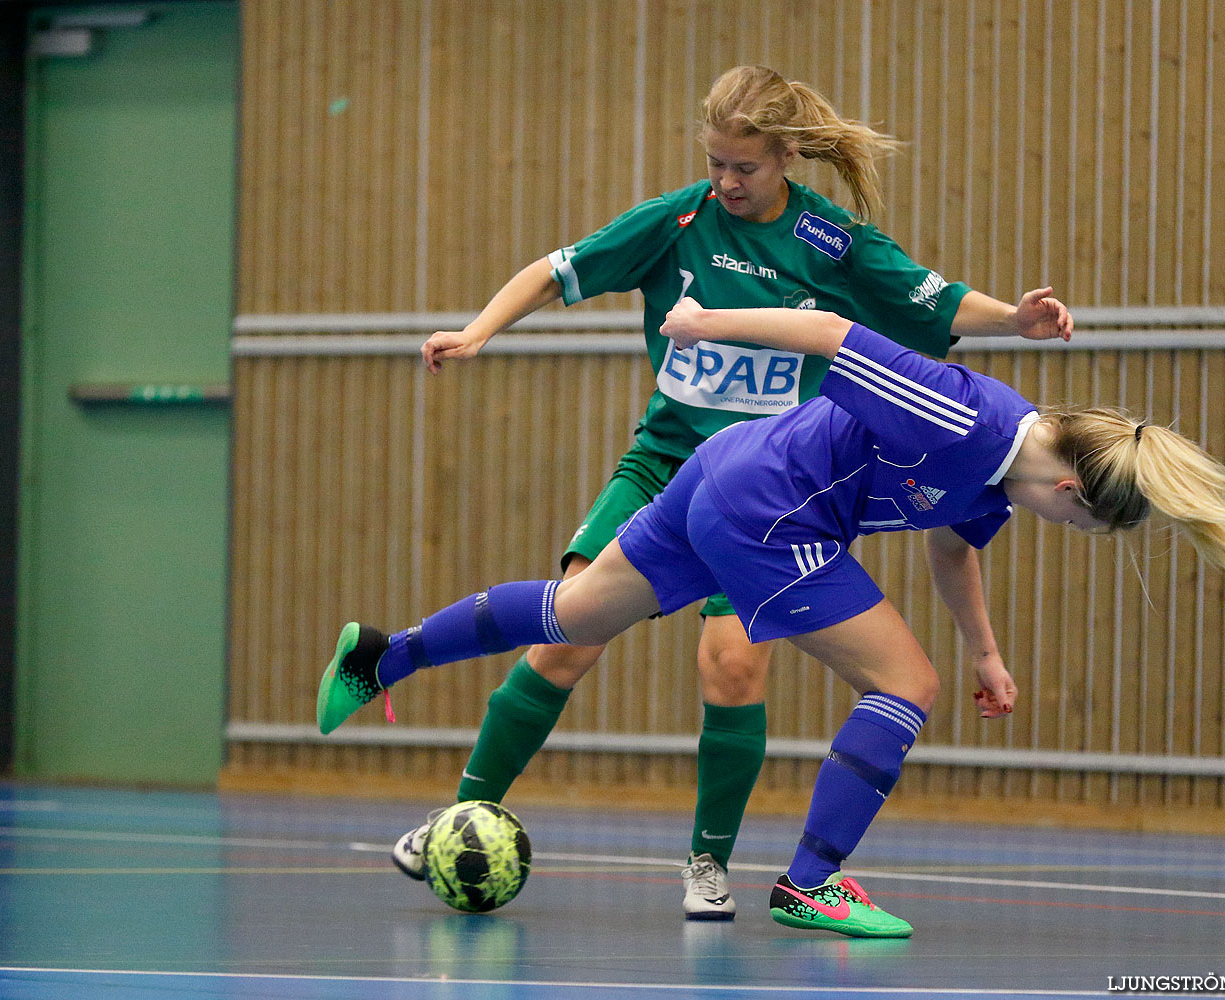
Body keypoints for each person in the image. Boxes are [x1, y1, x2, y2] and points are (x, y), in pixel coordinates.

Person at [318, 299, 1225, 939]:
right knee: (905, 686)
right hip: (772, 506)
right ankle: (813, 883)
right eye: (1081, 520)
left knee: (573, 612)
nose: (1068, 527)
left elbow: (953, 547)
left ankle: (381, 657)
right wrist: (700, 320)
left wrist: (987, 652)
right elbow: (830, 335)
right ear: (1072, 485)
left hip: (728, 476)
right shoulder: (965, 418)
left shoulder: (997, 476)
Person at [395, 65, 1073, 921]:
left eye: (744, 167)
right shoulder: (678, 221)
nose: (726, 181)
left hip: (770, 493)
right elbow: (555, 269)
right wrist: (478, 330)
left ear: (786, 156)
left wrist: (1015, 318)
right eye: (715, 162)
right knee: (567, 636)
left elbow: (932, 299)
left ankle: (706, 866)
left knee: (732, 663)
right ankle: (459, 812)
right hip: (665, 465)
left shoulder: (830, 241)